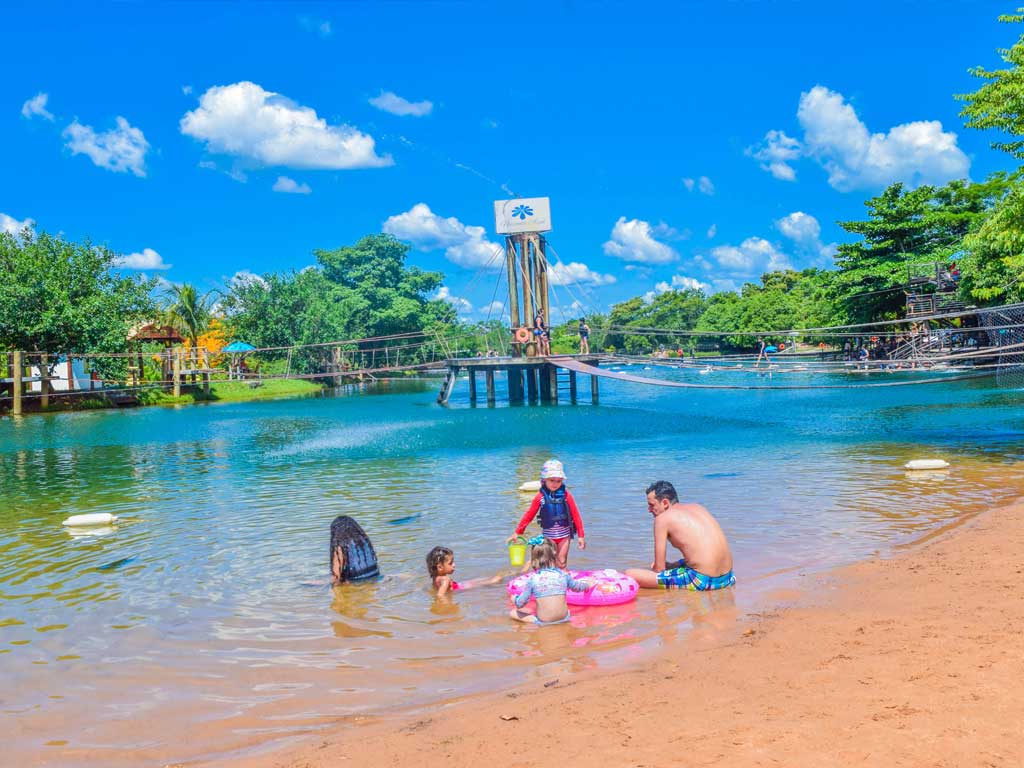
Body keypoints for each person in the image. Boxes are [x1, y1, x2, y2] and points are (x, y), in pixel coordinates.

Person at [625, 481, 735, 591]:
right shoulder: (697, 507)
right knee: (680, 563)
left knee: (630, 574)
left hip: (702, 580)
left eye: (651, 505)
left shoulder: (662, 519)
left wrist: (652, 574)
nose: (649, 510)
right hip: (728, 578)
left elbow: (659, 569)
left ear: (665, 503)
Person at [507, 459, 586, 569]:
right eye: (552, 480)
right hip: (549, 537)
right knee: (548, 564)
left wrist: (581, 536)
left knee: (562, 563)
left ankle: (563, 582)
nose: (555, 484)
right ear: (544, 480)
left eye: (559, 481)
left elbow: (576, 515)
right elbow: (529, 515)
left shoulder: (566, 495)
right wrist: (518, 532)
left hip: (564, 536)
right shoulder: (540, 497)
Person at [509, 538, 592, 625]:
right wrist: (588, 585)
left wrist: (514, 598)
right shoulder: (563, 575)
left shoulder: (533, 580)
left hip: (544, 622)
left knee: (513, 613)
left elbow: (520, 603)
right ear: (555, 556)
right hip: (564, 618)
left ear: (534, 560)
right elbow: (577, 587)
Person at [425, 545, 505, 596]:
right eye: (450, 563)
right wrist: (446, 606)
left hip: (460, 585)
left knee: (482, 579)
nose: (454, 565)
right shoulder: (445, 579)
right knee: (496, 579)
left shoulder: (435, 578)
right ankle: (505, 577)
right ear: (440, 567)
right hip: (463, 587)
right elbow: (440, 595)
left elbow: (438, 590)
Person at [330, 515, 379, 584]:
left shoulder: (341, 546)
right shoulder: (364, 540)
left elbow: (336, 575)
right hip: (375, 576)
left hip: (357, 581)